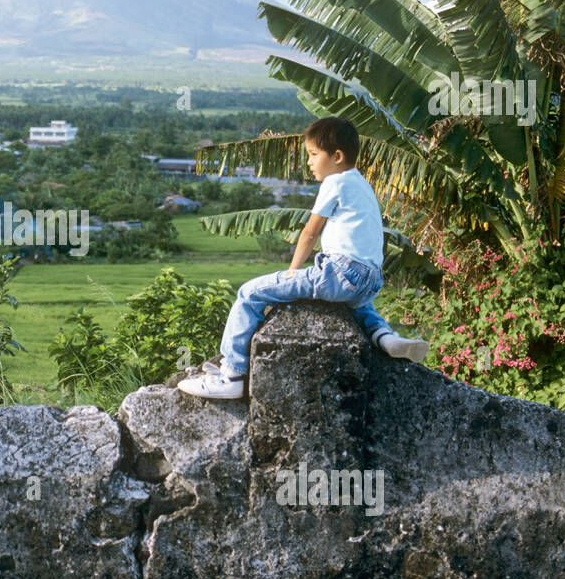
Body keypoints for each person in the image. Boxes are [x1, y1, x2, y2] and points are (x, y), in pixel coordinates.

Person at [179, 116, 429, 400]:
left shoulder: (335, 182)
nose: (308, 162)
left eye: (313, 155)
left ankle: (232, 374)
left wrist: (292, 271)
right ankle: (387, 338)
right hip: (370, 279)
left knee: (249, 294)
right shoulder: (363, 185)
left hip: (340, 272)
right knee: (357, 308)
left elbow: (309, 233)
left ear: (337, 156)